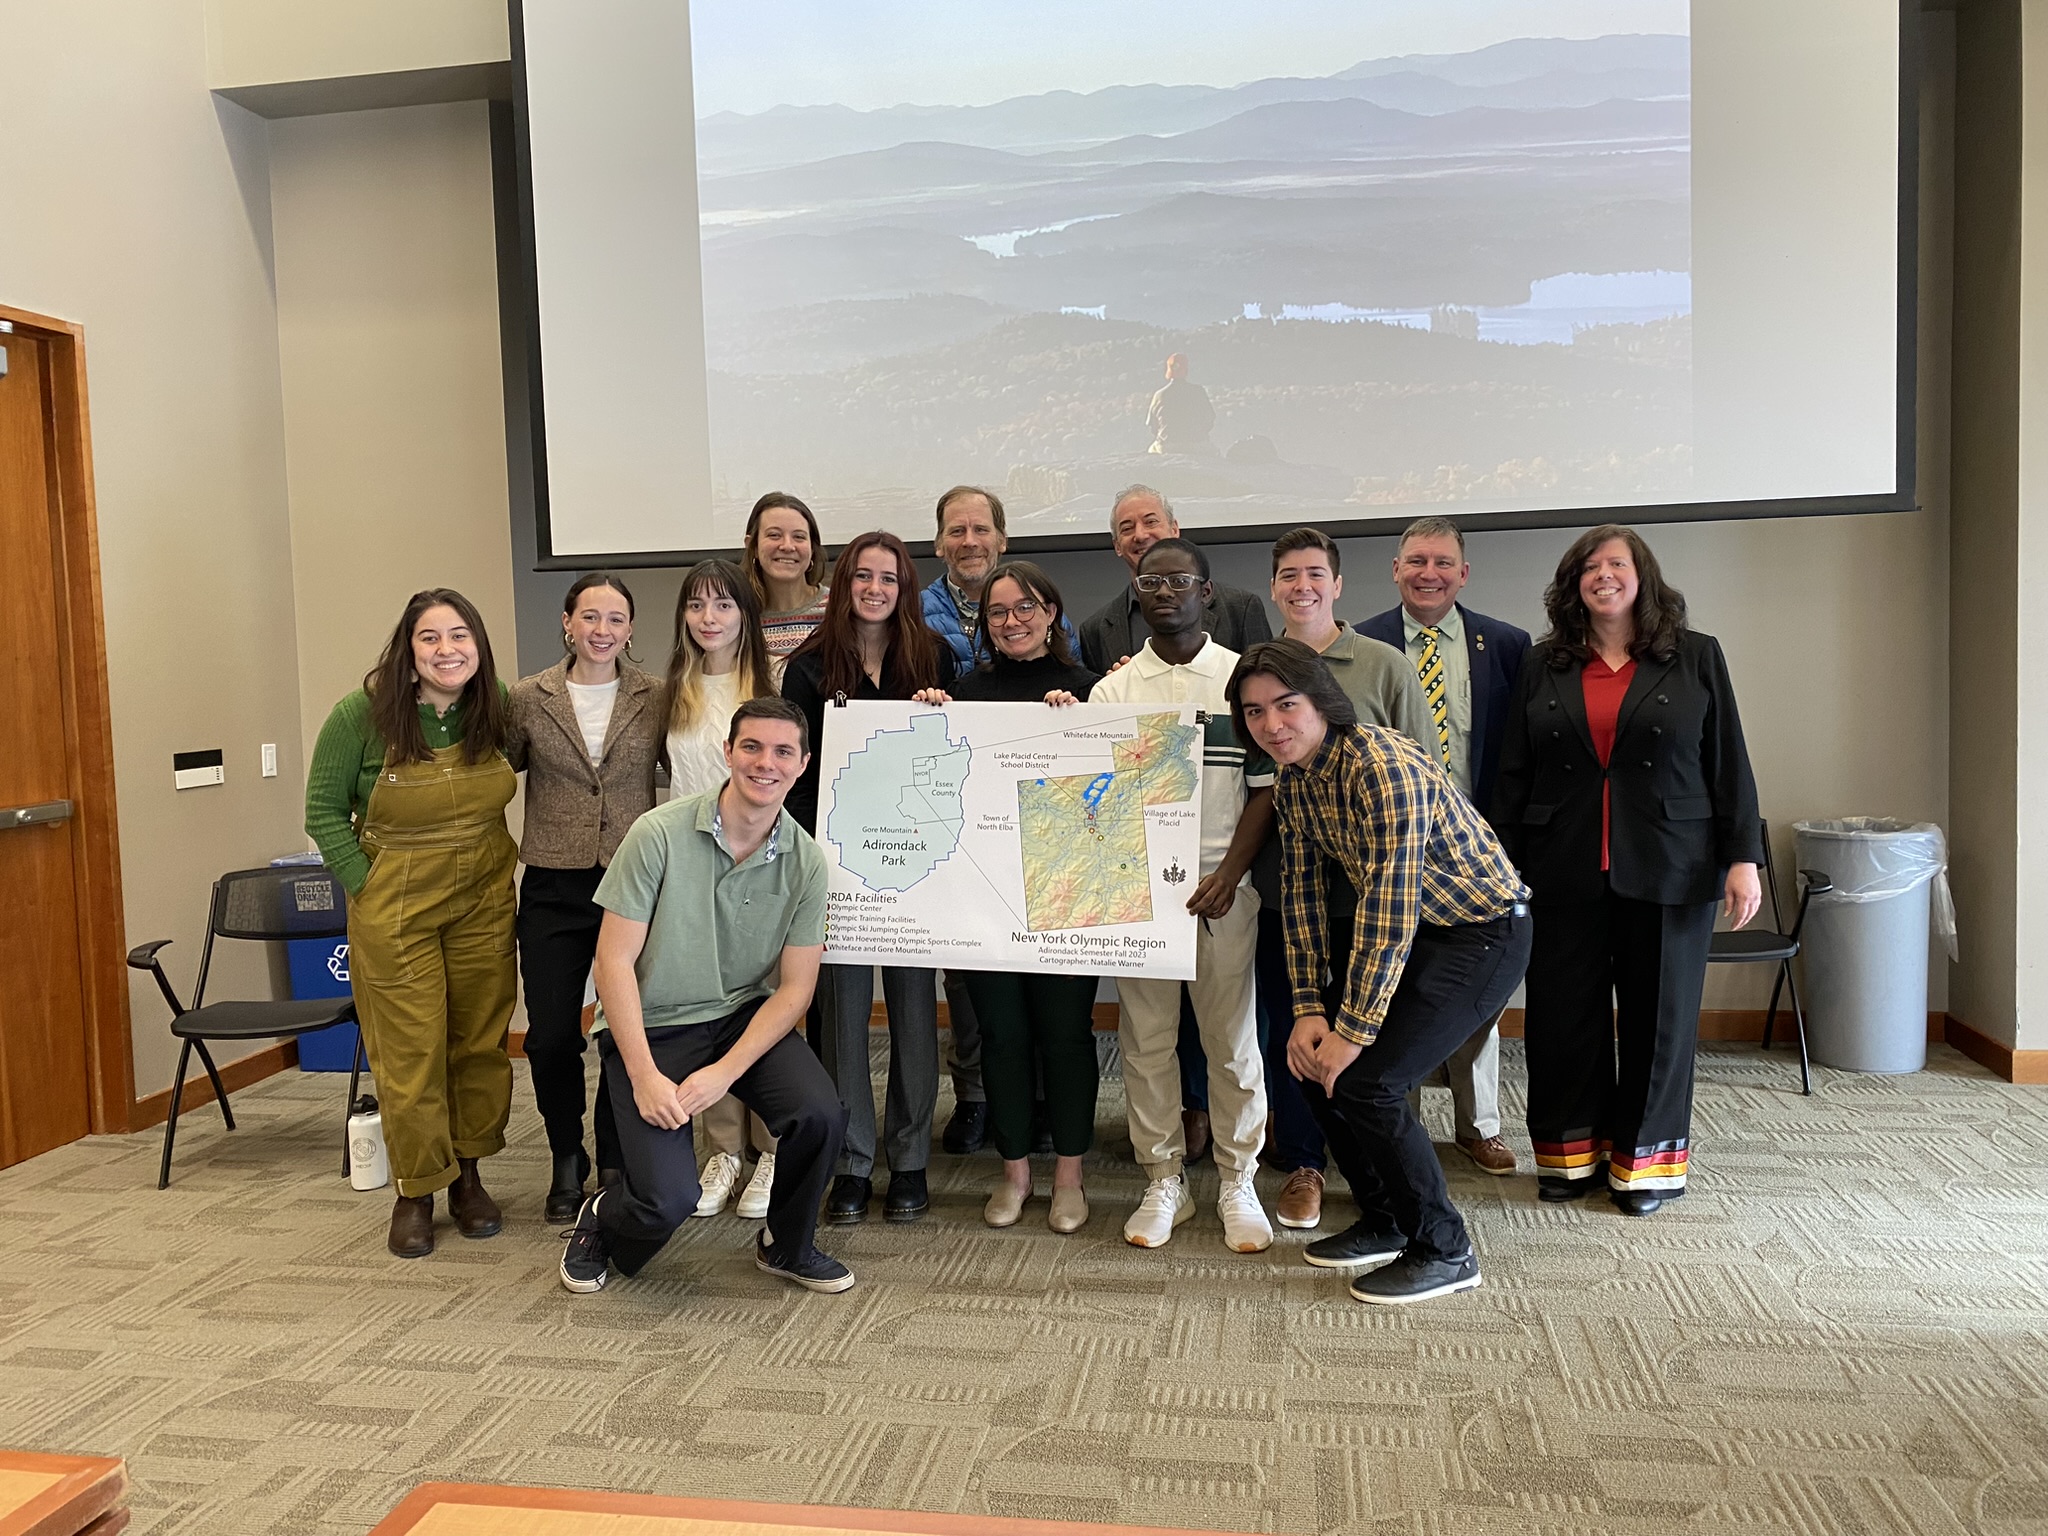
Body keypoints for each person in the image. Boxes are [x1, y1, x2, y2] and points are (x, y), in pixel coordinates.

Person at [1228, 639, 1532, 1305]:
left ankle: (1446, 1248)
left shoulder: (1382, 766)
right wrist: (1311, 1011)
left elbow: (1387, 911)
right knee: (1313, 1069)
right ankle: (1388, 1221)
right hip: (1425, 934)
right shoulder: (1297, 778)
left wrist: (1353, 1029)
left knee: (1368, 1083)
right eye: (1253, 712)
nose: (1271, 724)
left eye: (1286, 704)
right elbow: (1303, 898)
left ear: (1321, 701)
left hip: (1484, 931)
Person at [1494, 526, 1763, 1216]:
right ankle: (1568, 1157)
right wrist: (1498, 865)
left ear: (1643, 576)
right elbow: (1514, 770)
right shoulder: (1542, 661)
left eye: (1616, 563)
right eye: (1590, 565)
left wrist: (1742, 860)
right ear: (1572, 583)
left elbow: (1727, 761)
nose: (1602, 574)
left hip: (1674, 865)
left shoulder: (1697, 656)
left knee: (1661, 1019)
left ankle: (1646, 1165)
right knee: (1562, 1017)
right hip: (1560, 865)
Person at [558, 698, 853, 1295]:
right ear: (728, 752)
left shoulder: (807, 862)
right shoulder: (658, 834)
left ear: (802, 765)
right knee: (666, 1202)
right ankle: (602, 1217)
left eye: (782, 752)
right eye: (751, 747)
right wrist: (643, 1075)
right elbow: (611, 962)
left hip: (740, 1016)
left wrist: (722, 1074)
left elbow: (795, 991)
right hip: (654, 1023)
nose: (765, 763)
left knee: (820, 1115)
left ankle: (786, 1245)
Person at [305, 589, 517, 1259]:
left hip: (483, 901)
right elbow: (322, 812)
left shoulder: (496, 706)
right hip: (396, 910)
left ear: (478, 647)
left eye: (460, 635)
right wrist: (367, 887)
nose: (446, 649)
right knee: (409, 1053)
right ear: (409, 647)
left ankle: (470, 1176)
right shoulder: (360, 716)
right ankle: (418, 1189)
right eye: (430, 637)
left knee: (479, 1044)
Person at [1089, 538, 1274, 1254]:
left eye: (1180, 581)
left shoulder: (1240, 679)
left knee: (1231, 1044)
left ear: (1208, 593)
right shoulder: (1114, 692)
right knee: (1146, 1043)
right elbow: (1096, 804)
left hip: (1222, 892)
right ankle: (1163, 1178)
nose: (1164, 591)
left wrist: (1229, 873)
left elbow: (1264, 792)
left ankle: (1237, 1178)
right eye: (1151, 581)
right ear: (1136, 593)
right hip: (1139, 900)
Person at [915, 561, 1102, 1232]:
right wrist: (929, 722)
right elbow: (939, 788)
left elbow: (1111, 797)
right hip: (985, 898)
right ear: (983, 623)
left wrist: (1079, 727)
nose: (1012, 620)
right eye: (998, 611)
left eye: (1026, 607)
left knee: (1066, 1037)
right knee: (1000, 1036)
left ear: (1051, 612)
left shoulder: (1092, 692)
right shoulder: (964, 691)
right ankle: (1016, 1173)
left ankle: (1070, 1177)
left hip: (1066, 898)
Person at [1254, 528, 1432, 1230]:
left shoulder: (1384, 663)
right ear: (1273, 587)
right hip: (1293, 888)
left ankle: (1386, 1172)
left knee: (1378, 1037)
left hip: (1379, 896)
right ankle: (1303, 1165)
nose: (1302, 585)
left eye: (1315, 573)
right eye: (1289, 575)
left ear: (1338, 584)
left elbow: (1425, 769)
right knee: (1297, 1029)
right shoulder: (1257, 668)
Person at [780, 531, 957, 1224]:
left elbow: (957, 754)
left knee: (916, 1014)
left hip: (915, 867)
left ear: (905, 586)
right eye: (863, 577)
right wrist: (813, 855)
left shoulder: (935, 657)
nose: (875, 588)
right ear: (843, 584)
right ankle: (853, 1163)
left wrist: (946, 719)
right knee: (844, 1020)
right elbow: (793, 774)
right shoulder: (809, 667)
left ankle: (909, 1159)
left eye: (888, 577)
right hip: (839, 870)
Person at [1359, 517, 1532, 1181]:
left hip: (1477, 845)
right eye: (1415, 561)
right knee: (1394, 980)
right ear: (1395, 570)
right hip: (1394, 843)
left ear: (1464, 573)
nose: (1428, 572)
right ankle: (1393, 1119)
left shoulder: (1508, 646)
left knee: (1477, 993)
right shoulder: (1363, 643)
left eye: (1442, 561)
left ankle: (1479, 1125)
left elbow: (1519, 749)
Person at [504, 573, 663, 1224]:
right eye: (590, 617)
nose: (603, 630)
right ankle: (565, 1156)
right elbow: (492, 771)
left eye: (616, 619)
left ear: (630, 630)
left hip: (632, 882)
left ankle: (616, 1156)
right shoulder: (525, 698)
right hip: (552, 881)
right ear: (567, 622)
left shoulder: (657, 696)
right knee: (547, 1036)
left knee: (623, 1032)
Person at [660, 559, 783, 1222]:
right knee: (705, 1013)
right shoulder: (669, 690)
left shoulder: (770, 682)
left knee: (755, 1011)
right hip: (691, 866)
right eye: (697, 606)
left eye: (724, 606)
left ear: (746, 614)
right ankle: (725, 1150)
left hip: (758, 864)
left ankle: (769, 1152)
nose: (710, 618)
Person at [1077, 485, 1272, 676]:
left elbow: (1268, 684)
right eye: (1127, 528)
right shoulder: (1095, 630)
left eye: (1151, 522)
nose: (1140, 535)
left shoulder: (1240, 608)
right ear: (1117, 546)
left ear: (1174, 529)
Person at [743, 491, 830, 659]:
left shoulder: (839, 610)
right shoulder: (735, 616)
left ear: (812, 548)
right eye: (774, 535)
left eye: (799, 537)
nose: (788, 546)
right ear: (752, 546)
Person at [1145, 352, 1216, 454]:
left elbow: (1153, 426)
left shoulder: (1159, 395)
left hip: (1167, 447)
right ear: (1186, 370)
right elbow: (1210, 418)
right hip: (1197, 446)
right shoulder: (1198, 392)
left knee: (1151, 450)